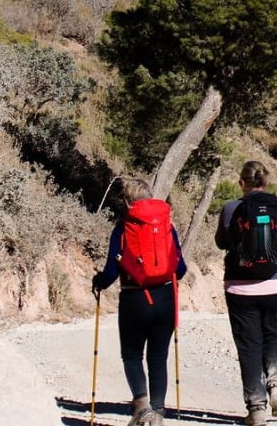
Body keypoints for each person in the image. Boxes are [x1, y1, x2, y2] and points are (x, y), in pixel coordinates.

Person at [214, 160, 277, 426]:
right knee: (273, 335)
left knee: (249, 345)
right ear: (266, 183)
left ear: (242, 183)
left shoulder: (231, 208)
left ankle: (256, 409)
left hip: (239, 287)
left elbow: (221, 243)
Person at [91, 177, 187, 426]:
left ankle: (141, 405)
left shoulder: (123, 228)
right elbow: (182, 267)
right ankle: (157, 414)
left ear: (126, 201)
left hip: (134, 297)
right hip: (165, 298)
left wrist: (98, 282)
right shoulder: (167, 226)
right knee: (158, 357)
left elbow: (112, 271)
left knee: (132, 354)